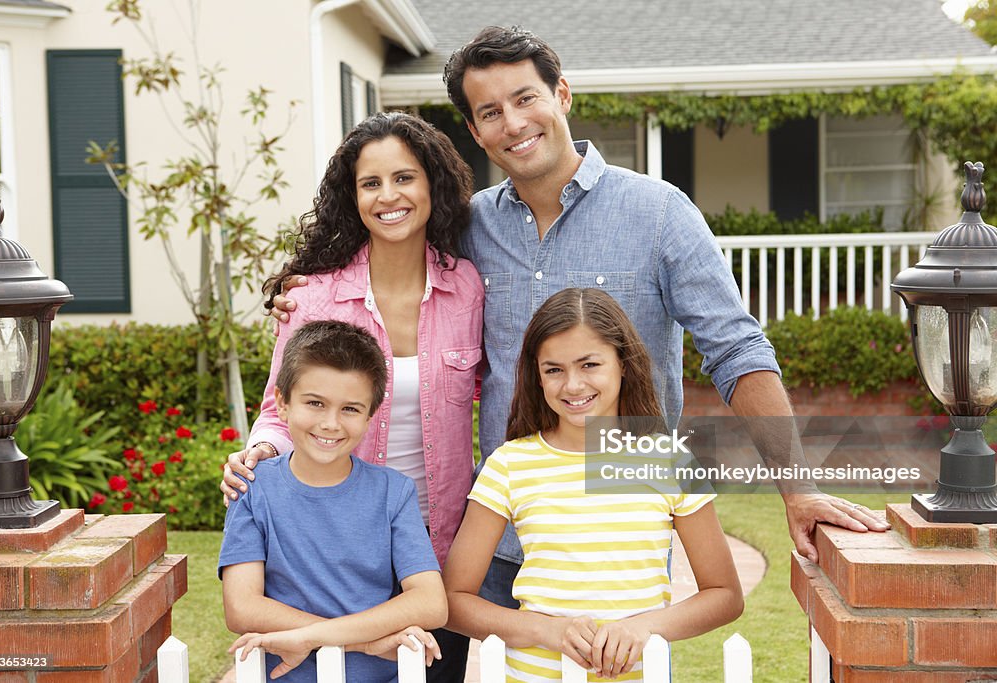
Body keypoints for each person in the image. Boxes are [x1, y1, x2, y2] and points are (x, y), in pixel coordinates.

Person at [263, 24, 886, 611]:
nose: (513, 123)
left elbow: (737, 351)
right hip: (497, 531)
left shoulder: (659, 213)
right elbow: (389, 250)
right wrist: (307, 294)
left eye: (525, 97)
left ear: (562, 94)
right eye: (489, 112)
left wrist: (798, 488)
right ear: (475, 133)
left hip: (617, 531)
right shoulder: (468, 228)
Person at [220, 111, 483, 678]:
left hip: (439, 550)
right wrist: (260, 454)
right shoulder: (311, 298)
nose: (389, 196)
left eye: (405, 177)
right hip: (340, 551)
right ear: (353, 195)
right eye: (371, 182)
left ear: (432, 183)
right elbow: (278, 406)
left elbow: (503, 388)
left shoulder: (467, 286)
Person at [444, 288, 744, 682]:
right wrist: (546, 629)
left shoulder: (672, 461)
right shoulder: (509, 465)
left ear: (623, 364)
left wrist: (641, 628)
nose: (572, 385)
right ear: (536, 375)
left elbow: (724, 595)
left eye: (589, 365)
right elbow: (452, 601)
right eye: (554, 369)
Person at [220, 320, 447, 682]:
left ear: (371, 416)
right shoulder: (253, 488)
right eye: (315, 403)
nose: (330, 423)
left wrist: (312, 638)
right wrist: (366, 642)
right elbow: (242, 608)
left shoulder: (394, 492)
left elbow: (431, 603)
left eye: (350, 409)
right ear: (282, 402)